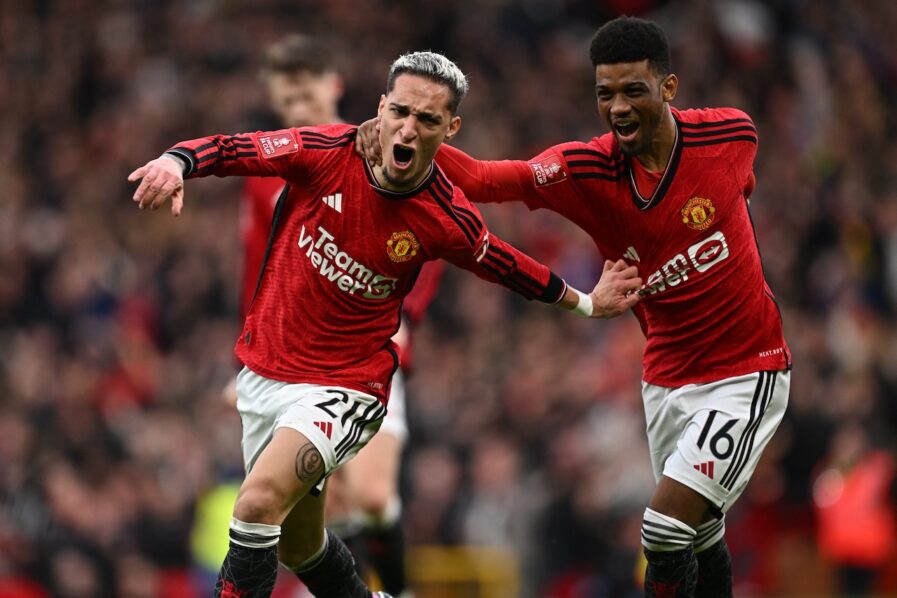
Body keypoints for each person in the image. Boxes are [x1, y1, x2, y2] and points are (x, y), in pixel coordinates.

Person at [128, 51, 642, 598]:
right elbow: (236, 149)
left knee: (255, 505)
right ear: (381, 107)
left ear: (450, 129)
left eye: (427, 119)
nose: (409, 128)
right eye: (400, 111)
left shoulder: (443, 215)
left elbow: (505, 264)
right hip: (266, 375)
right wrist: (177, 162)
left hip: (344, 388)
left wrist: (588, 303)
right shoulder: (324, 151)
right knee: (299, 546)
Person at [356, 15, 792, 598]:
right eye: (605, 94)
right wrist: (400, 136)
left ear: (668, 87)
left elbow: (742, 186)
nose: (617, 107)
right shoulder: (586, 171)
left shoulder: (730, 136)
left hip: (746, 369)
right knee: (699, 533)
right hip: (666, 378)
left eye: (633, 90)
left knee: (663, 529)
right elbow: (486, 179)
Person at [237, 34, 446, 596]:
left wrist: (409, 318)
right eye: (287, 101)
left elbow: (437, 232)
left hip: (362, 353)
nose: (297, 109)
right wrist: (246, 350)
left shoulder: (380, 148)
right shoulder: (268, 173)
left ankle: (398, 589)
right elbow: (258, 269)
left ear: (334, 87)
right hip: (291, 359)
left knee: (372, 496)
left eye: (306, 96)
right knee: (320, 514)